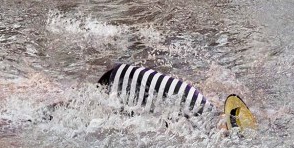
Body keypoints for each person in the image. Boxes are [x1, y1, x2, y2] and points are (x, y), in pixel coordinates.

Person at [97, 63, 257, 134]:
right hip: (124, 81)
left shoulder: (206, 109)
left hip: (126, 74)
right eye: (226, 131)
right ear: (224, 123)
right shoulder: (200, 118)